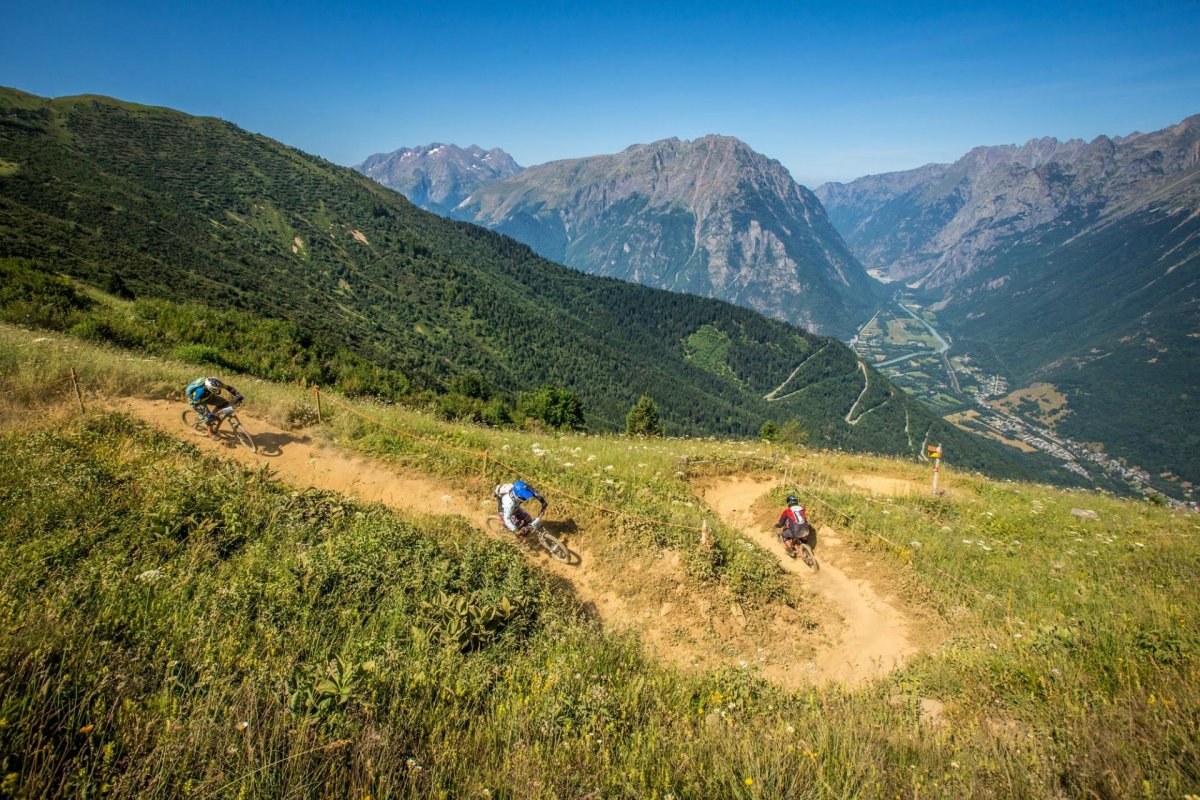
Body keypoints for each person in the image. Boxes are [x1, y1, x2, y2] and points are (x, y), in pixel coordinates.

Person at [773, 493, 814, 559]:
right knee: (803, 533)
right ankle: (806, 544)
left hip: (795, 532)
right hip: (806, 530)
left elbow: (781, 524)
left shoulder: (787, 511)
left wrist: (776, 525)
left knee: (784, 535)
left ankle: (790, 551)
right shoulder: (802, 508)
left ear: (788, 503)